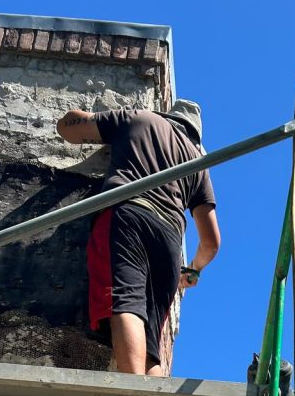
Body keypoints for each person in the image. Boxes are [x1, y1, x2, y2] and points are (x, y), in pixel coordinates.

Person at [56, 99, 220, 375]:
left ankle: (132, 390)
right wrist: (193, 268)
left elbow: (69, 129)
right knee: (152, 337)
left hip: (129, 215)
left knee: (126, 302)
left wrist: (71, 118)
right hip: (170, 240)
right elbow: (211, 242)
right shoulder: (198, 164)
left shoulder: (139, 119)